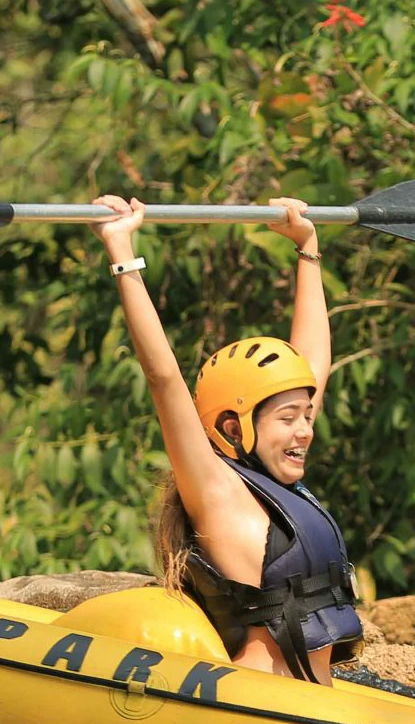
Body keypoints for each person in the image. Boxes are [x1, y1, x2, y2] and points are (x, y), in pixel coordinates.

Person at [100, 193, 364, 683]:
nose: (306, 429)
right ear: (231, 427)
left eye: (307, 415)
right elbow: (163, 379)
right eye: (289, 418)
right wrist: (122, 252)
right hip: (261, 702)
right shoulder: (219, 492)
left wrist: (308, 250)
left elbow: (313, 363)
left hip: (316, 701)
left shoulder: (281, 486)